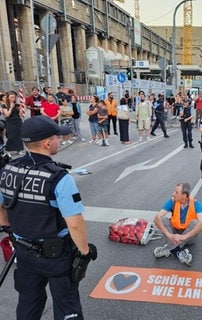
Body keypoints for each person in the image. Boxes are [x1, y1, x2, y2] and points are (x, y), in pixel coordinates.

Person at [0, 115, 97, 319]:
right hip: (56, 256)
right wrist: (85, 252)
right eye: (56, 137)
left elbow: (2, 208)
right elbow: (75, 224)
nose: (59, 140)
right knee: (66, 305)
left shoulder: (7, 170)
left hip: (23, 252)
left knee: (28, 303)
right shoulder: (60, 178)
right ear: (47, 143)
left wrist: (8, 226)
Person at [153, 182, 202, 266]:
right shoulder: (172, 201)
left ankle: (170, 248)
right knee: (161, 219)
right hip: (173, 234)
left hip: (188, 237)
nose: (173, 193)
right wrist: (168, 234)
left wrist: (184, 236)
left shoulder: (196, 204)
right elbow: (156, 218)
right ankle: (179, 251)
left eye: (176, 192)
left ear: (184, 195)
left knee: (196, 223)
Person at [2, 91, 24, 155]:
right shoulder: (5, 105)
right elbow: (7, 115)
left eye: (14, 97)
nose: (13, 98)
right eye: (11, 97)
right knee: (10, 136)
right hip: (10, 122)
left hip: (17, 121)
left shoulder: (17, 105)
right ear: (8, 98)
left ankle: (19, 150)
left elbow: (20, 114)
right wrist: (11, 107)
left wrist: (21, 110)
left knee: (18, 136)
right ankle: (8, 150)